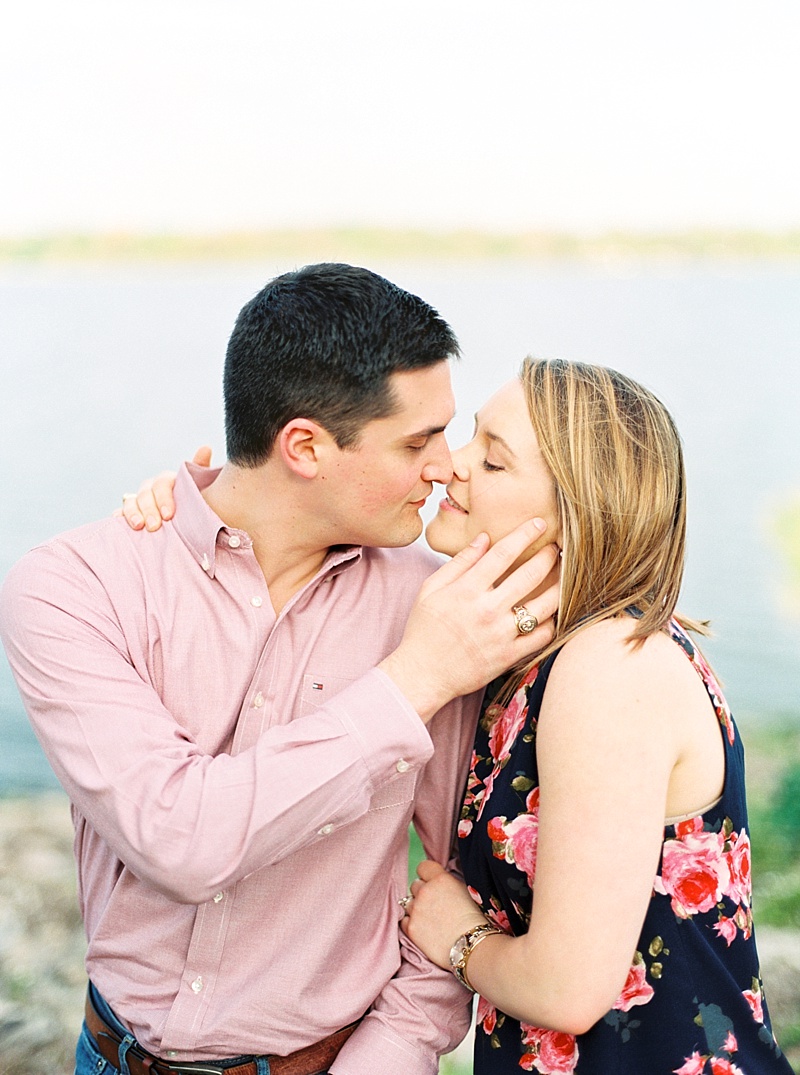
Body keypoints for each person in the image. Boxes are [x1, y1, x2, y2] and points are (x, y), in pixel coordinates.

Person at [0, 264, 560, 1075]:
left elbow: (454, 887)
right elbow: (179, 836)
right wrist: (412, 679)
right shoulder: (75, 585)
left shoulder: (441, 610)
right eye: (417, 441)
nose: (447, 465)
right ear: (304, 445)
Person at [395, 358, 793, 1074]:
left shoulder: (607, 666)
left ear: (576, 515)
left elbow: (567, 988)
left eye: (491, 459)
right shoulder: (538, 654)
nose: (449, 466)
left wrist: (460, 937)